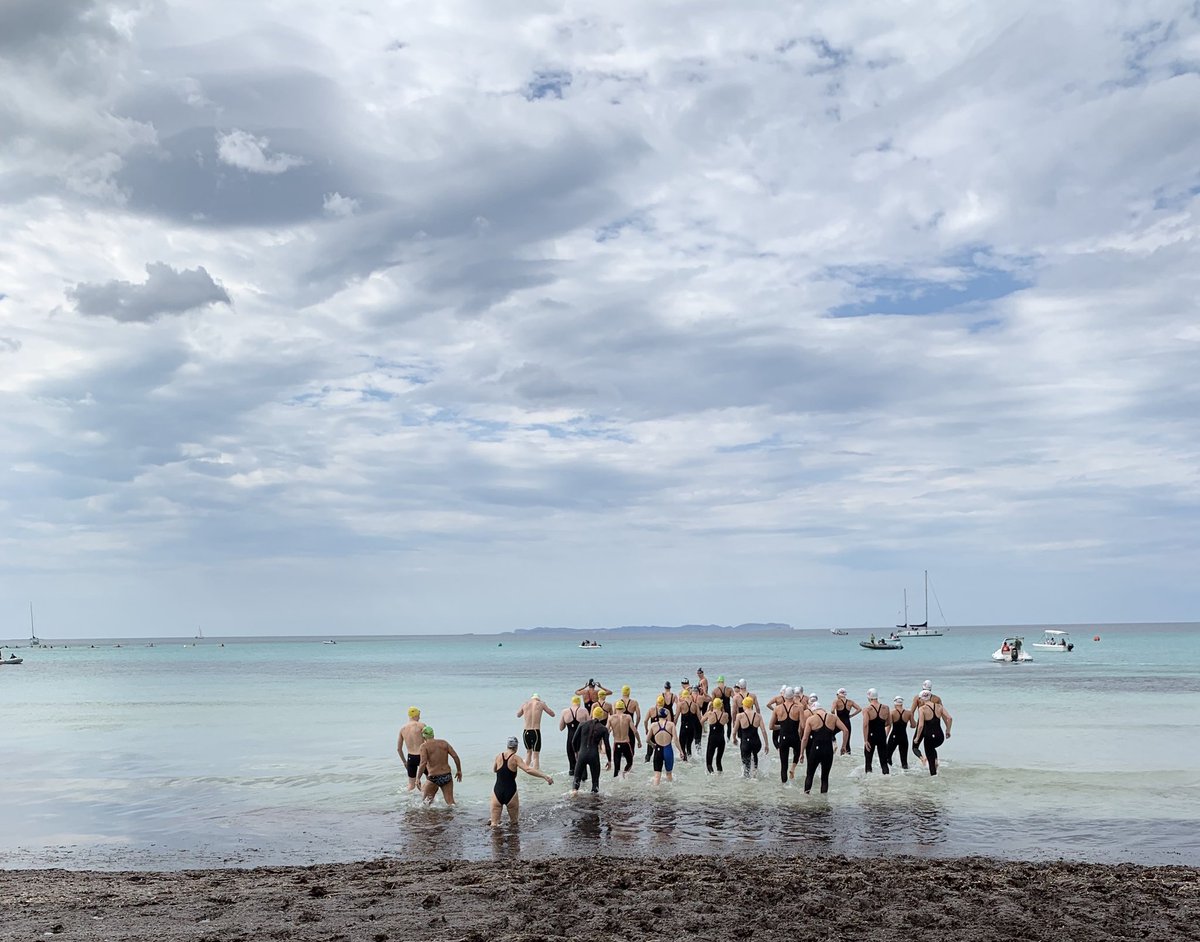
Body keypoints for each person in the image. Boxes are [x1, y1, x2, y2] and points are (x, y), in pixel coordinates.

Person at [490, 735, 554, 826]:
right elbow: (528, 770)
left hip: (497, 792)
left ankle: (496, 839)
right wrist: (544, 776)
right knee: (514, 823)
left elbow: (494, 770)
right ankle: (513, 839)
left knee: (494, 824)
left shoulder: (498, 756)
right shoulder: (516, 758)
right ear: (516, 747)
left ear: (507, 746)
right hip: (510, 792)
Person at [800, 696, 848, 794]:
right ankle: (824, 802)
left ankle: (806, 798)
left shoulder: (811, 719)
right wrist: (844, 746)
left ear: (814, 710)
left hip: (815, 750)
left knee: (809, 775)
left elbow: (805, 738)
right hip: (828, 750)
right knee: (825, 778)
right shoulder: (833, 717)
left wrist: (801, 753)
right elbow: (845, 730)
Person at [416, 726, 463, 805]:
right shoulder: (444, 743)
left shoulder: (424, 746)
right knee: (451, 803)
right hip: (447, 776)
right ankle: (456, 816)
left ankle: (430, 816)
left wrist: (418, 778)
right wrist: (459, 770)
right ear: (433, 734)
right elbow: (455, 756)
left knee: (425, 803)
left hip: (433, 778)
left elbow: (423, 763)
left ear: (423, 736)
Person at [571, 706, 612, 794]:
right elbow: (607, 746)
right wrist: (609, 760)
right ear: (602, 716)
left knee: (576, 779)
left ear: (592, 714)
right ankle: (594, 803)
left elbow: (574, 741)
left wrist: (576, 752)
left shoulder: (582, 724)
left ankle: (574, 795)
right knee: (595, 783)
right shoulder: (603, 729)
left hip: (582, 754)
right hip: (594, 756)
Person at [913, 689, 953, 776]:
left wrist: (917, 737)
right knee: (932, 749)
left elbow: (920, 726)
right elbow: (949, 718)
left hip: (929, 737)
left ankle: (933, 780)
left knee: (930, 761)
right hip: (940, 737)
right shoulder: (939, 706)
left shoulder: (922, 709)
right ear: (930, 697)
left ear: (921, 699)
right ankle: (935, 761)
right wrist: (948, 730)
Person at [769, 686, 805, 782]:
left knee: (783, 765)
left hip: (783, 738)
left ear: (784, 696)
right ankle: (793, 768)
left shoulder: (777, 708)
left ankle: (783, 789)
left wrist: (781, 727)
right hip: (794, 737)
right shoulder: (799, 708)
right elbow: (802, 725)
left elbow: (771, 726)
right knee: (797, 753)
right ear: (793, 697)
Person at [516, 693, 555, 770]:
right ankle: (536, 774)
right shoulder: (541, 704)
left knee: (528, 752)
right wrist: (544, 705)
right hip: (535, 731)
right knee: (536, 755)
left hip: (526, 732)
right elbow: (552, 714)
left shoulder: (525, 704)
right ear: (538, 699)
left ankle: (526, 771)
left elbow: (518, 715)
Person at [732, 696, 769, 777]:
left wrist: (734, 739)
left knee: (746, 764)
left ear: (745, 705)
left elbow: (734, 731)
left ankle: (747, 778)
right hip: (756, 743)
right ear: (752, 705)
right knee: (755, 755)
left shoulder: (740, 716)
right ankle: (755, 774)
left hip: (745, 743)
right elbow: (763, 731)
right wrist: (766, 744)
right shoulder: (758, 716)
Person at [607, 699, 641, 778]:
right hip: (626, 744)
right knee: (630, 762)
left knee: (616, 768)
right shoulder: (628, 717)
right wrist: (639, 741)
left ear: (615, 709)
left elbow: (606, 731)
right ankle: (624, 774)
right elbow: (635, 731)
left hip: (616, 744)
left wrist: (603, 743)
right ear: (624, 709)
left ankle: (615, 786)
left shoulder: (611, 718)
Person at [397, 706, 427, 791]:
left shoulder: (402, 729)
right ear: (415, 715)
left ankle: (407, 802)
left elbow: (399, 749)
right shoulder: (422, 725)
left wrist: (404, 762)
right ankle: (427, 798)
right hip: (422, 757)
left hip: (411, 758)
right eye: (418, 715)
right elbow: (429, 743)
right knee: (430, 780)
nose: (419, 717)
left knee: (411, 785)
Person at [862, 689, 891, 775]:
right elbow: (888, 723)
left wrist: (865, 740)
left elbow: (865, 725)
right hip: (882, 736)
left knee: (868, 762)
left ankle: (868, 781)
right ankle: (886, 781)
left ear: (868, 697)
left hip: (871, 737)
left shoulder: (867, 709)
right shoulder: (886, 708)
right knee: (884, 763)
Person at [559, 695, 590, 775]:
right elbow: (590, 726)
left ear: (572, 703)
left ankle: (572, 784)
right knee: (582, 762)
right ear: (579, 703)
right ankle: (584, 782)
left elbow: (561, 728)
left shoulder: (565, 711)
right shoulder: (584, 710)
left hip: (570, 739)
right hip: (581, 740)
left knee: (572, 764)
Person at [647, 707, 679, 785]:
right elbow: (676, 739)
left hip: (658, 750)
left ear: (658, 715)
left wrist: (653, 745)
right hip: (668, 750)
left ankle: (655, 793)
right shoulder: (671, 725)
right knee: (669, 774)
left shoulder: (653, 725)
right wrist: (681, 751)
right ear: (666, 715)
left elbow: (647, 740)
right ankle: (670, 794)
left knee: (657, 776)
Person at [701, 696, 729, 773]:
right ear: (721, 705)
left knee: (709, 763)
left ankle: (712, 777)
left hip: (712, 739)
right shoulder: (725, 714)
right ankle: (720, 778)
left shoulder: (709, 714)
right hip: (721, 740)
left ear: (713, 705)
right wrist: (722, 709)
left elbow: (701, 721)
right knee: (719, 761)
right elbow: (726, 721)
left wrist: (709, 709)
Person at [676, 680, 702, 762]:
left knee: (682, 746)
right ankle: (690, 760)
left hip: (684, 728)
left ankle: (684, 761)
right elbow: (700, 718)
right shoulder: (695, 705)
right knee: (689, 746)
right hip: (692, 728)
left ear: (683, 697)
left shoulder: (681, 704)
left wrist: (672, 726)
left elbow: (676, 717)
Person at [886, 696, 913, 770]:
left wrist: (885, 736)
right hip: (904, 737)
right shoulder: (909, 713)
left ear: (895, 703)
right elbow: (913, 725)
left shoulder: (892, 712)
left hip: (894, 736)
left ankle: (890, 772)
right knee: (904, 761)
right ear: (902, 703)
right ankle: (906, 776)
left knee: (888, 757)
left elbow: (889, 725)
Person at [833, 688, 861, 755]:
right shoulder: (850, 702)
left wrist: (835, 717)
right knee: (847, 742)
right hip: (847, 722)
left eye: (837, 694)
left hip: (839, 723)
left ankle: (834, 744)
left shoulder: (836, 701)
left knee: (831, 733)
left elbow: (832, 710)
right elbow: (859, 709)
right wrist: (851, 715)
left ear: (839, 695)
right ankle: (848, 758)